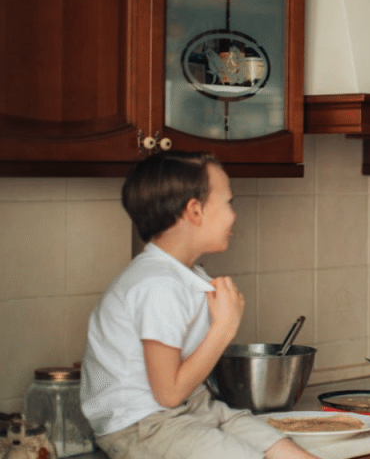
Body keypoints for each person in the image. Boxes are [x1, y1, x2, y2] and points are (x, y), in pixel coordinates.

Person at [80, 151, 319, 459]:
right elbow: (168, 393)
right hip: (143, 427)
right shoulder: (157, 285)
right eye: (228, 202)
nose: (233, 214)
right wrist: (224, 328)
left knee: (287, 451)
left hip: (193, 409)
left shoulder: (185, 276)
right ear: (194, 211)